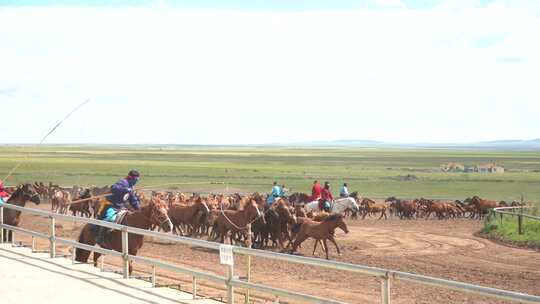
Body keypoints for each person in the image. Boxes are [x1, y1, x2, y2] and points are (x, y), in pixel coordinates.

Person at [96, 170, 141, 245]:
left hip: (120, 207)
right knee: (111, 219)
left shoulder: (131, 188)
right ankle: (99, 238)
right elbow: (114, 188)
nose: (136, 182)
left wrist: (139, 209)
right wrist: (125, 189)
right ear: (131, 178)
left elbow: (133, 201)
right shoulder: (123, 182)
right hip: (110, 205)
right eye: (136, 180)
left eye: (137, 180)